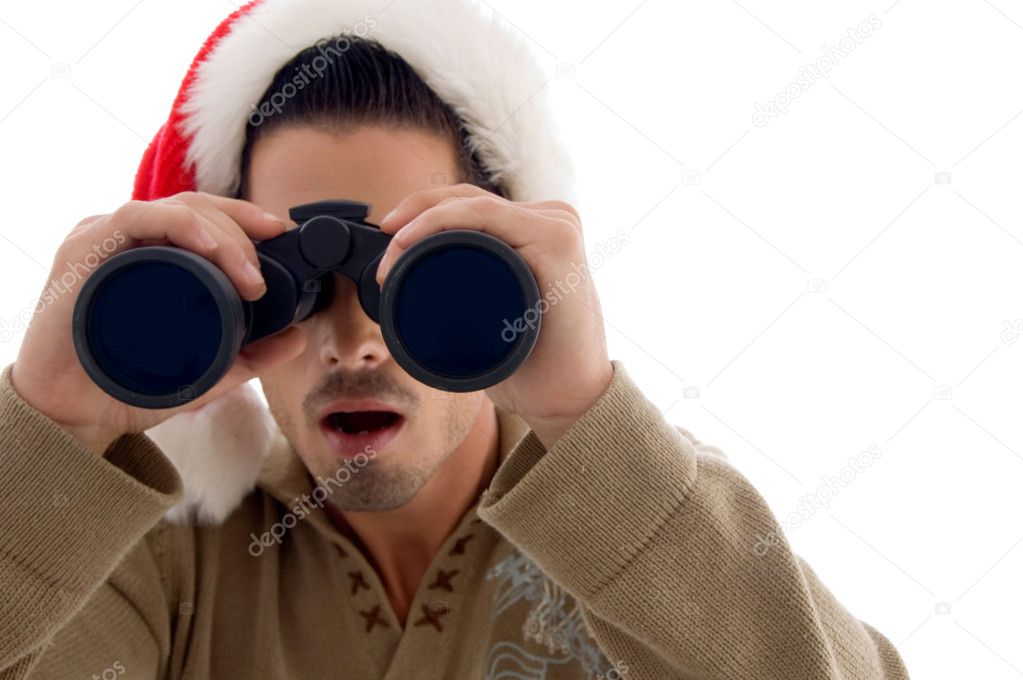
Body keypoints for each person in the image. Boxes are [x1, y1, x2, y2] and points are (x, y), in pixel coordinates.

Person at [0, 0, 911, 678]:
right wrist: (50, 433)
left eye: (409, 276)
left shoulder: (640, 526)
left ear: (495, 268)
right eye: (291, 287)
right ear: (233, 294)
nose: (353, 340)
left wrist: (584, 410)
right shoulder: (160, 554)